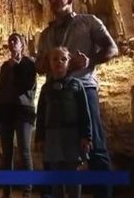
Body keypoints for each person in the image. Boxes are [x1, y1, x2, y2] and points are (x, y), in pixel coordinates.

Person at [36, 0, 119, 198]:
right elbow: (39, 63)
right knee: (52, 148)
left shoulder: (88, 22)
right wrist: (42, 64)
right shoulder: (46, 34)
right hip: (53, 93)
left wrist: (91, 61)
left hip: (82, 87)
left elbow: (111, 48)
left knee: (95, 147)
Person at [35, 47, 92, 198]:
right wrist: (40, 138)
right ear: (49, 63)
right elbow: (41, 115)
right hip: (53, 137)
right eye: (55, 59)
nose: (59, 62)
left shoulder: (77, 85)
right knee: (56, 178)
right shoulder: (46, 89)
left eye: (63, 59)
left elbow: (84, 113)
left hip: (72, 136)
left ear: (68, 63)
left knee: (73, 177)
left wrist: (86, 136)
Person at [0, 33, 37, 198]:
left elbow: (27, 85)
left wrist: (15, 67)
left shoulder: (29, 63)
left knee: (24, 151)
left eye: (14, 40)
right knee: (7, 154)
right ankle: (6, 192)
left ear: (22, 44)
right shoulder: (5, 66)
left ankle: (27, 191)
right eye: (9, 40)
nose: (11, 42)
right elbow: (0, 89)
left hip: (23, 110)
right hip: (5, 111)